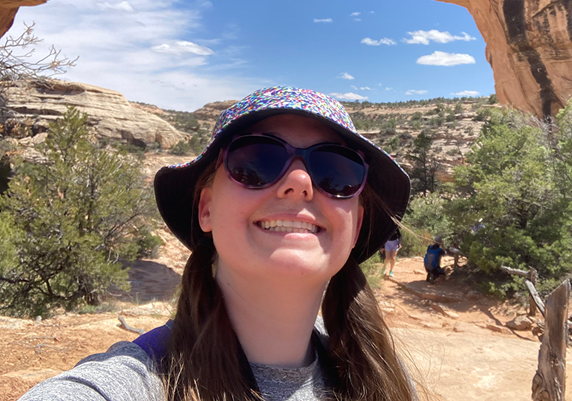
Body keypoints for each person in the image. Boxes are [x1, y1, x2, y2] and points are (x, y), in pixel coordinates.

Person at [19, 86, 417, 401]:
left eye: (336, 170)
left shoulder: (381, 376)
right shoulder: (134, 383)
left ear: (357, 222)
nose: (300, 183)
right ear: (206, 208)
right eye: (257, 161)